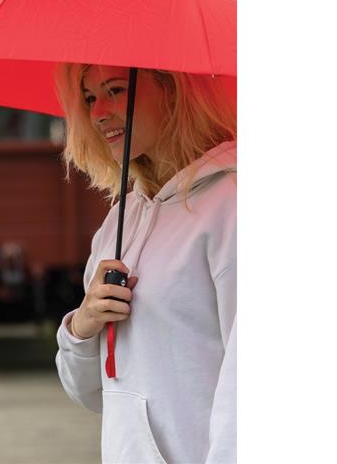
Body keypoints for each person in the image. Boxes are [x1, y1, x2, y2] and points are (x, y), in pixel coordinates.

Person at [54, 64, 236, 464]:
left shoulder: (233, 206)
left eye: (116, 90)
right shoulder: (120, 220)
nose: (98, 113)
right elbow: (93, 393)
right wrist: (82, 327)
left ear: (175, 92)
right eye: (89, 98)